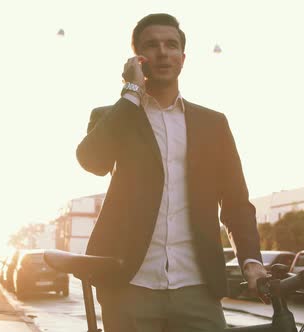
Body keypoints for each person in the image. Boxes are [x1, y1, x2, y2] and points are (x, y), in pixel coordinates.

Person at [76, 13, 267, 332]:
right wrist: (131, 93)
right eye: (151, 46)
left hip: (198, 288)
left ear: (183, 57)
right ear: (136, 59)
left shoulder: (213, 124)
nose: (163, 52)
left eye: (171, 45)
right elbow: (92, 161)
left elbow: (235, 202)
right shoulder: (115, 116)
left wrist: (251, 261)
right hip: (128, 286)